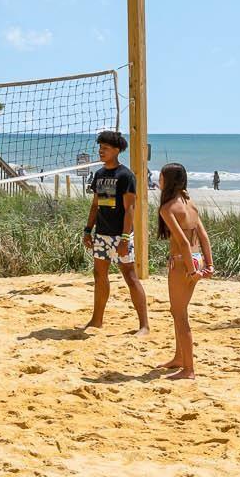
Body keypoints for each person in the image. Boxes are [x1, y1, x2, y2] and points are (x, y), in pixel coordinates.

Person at [82, 130, 148, 336]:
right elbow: (96, 205)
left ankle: (144, 325)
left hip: (121, 235)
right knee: (99, 275)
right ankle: (97, 320)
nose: (101, 151)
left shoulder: (125, 175)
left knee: (130, 276)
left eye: (106, 148)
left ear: (117, 150)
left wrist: (125, 238)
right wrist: (88, 230)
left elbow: (130, 209)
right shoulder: (100, 174)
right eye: (100, 148)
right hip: (102, 234)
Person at [155, 163, 214, 379]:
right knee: (178, 311)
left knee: (180, 316)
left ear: (168, 180)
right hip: (196, 259)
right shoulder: (190, 203)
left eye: (161, 177)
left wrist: (190, 271)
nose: (158, 180)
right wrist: (209, 265)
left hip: (183, 263)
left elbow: (182, 242)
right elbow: (203, 237)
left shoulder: (168, 208)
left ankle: (189, 369)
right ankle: (179, 358)